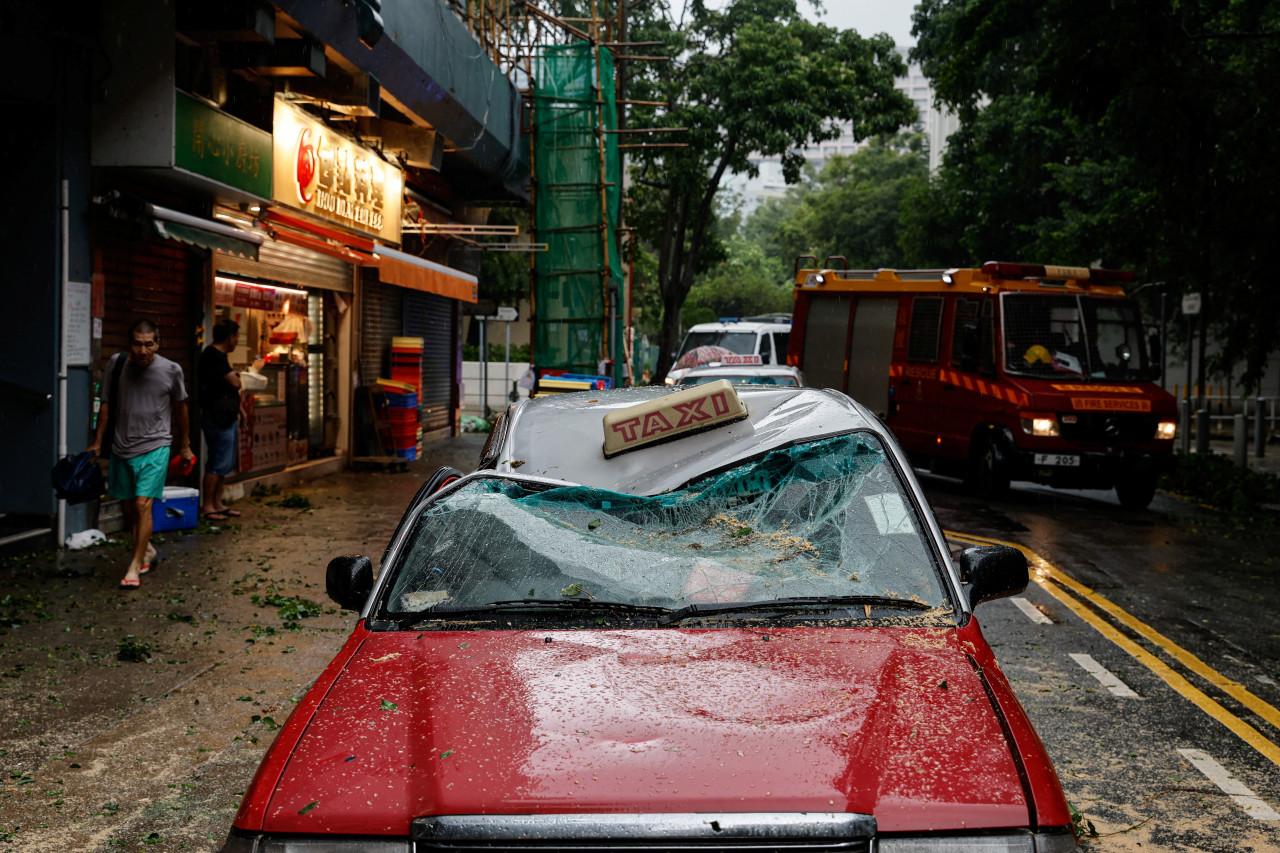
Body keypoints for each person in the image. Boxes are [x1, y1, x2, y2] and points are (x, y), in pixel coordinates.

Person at [88, 320, 194, 588]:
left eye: (149, 344)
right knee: (128, 506)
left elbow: (181, 408)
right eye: (137, 343)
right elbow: (106, 405)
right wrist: (97, 442)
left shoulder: (172, 370)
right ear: (129, 344)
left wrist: (185, 444)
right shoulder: (117, 363)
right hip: (122, 447)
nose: (143, 350)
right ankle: (146, 550)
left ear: (157, 344)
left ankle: (134, 566)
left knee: (142, 504)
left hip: (156, 446)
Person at [198, 319, 244, 522]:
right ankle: (208, 505)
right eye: (236, 336)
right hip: (217, 418)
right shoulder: (213, 355)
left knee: (223, 464)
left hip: (226, 416)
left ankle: (217, 503)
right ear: (230, 337)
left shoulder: (219, 356)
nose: (237, 341)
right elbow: (234, 382)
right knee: (217, 463)